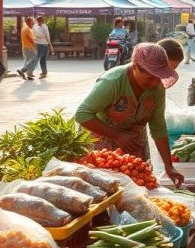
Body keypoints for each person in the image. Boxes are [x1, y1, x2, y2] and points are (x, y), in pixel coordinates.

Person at [75, 43, 184, 187]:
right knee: (106, 188)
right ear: (135, 68)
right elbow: (82, 114)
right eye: (150, 78)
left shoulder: (157, 87)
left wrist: (168, 166)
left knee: (138, 183)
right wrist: (117, 136)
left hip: (134, 141)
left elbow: (158, 126)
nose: (155, 83)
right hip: (103, 142)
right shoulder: (112, 82)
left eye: (158, 77)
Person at [16, 17, 38, 81]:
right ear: (30, 21)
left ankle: (29, 74)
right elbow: (31, 40)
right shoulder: (27, 29)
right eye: (33, 21)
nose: (34, 23)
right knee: (35, 59)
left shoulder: (24, 28)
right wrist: (36, 47)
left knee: (28, 60)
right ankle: (22, 70)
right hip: (29, 47)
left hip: (25, 47)